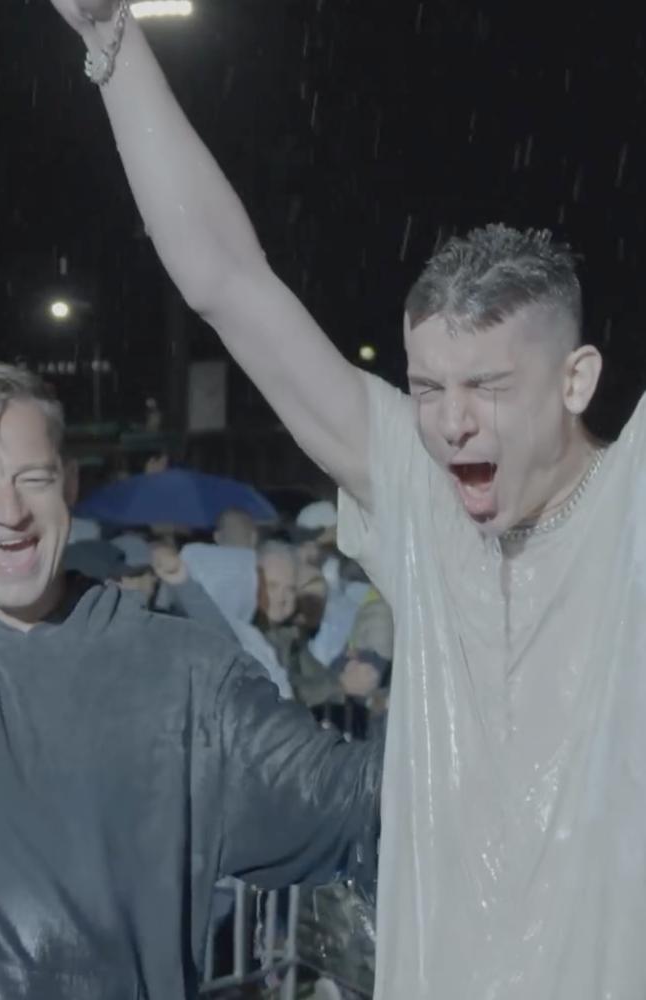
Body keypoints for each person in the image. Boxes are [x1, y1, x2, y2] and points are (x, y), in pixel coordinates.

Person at [44, 2, 644, 997]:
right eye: (425, 387)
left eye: (488, 388)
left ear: (573, 380)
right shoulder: (420, 500)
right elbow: (226, 282)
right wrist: (112, 43)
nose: (450, 422)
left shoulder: (630, 507)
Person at [0, 363, 381, 1000]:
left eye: (29, 478)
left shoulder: (182, 676)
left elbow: (350, 801)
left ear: (68, 484)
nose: (8, 511)